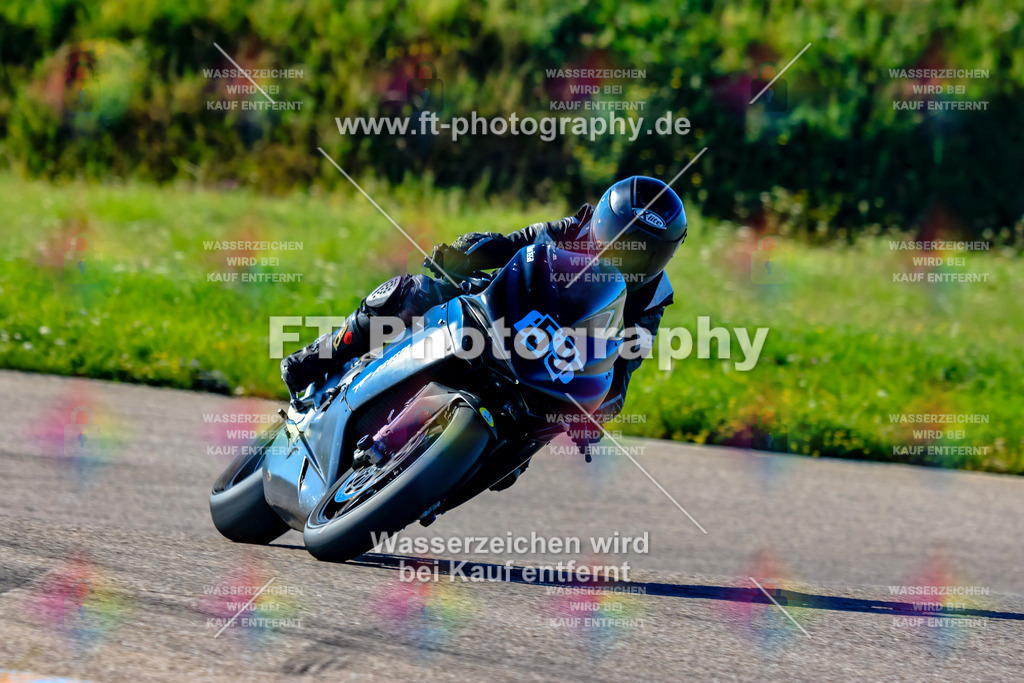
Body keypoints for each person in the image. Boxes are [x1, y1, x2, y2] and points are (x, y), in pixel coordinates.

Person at [281, 175, 686, 455]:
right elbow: (517, 243)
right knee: (414, 292)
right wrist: (469, 252)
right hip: (506, 313)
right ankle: (320, 356)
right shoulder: (576, 228)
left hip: (553, 370)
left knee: (531, 443)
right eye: (617, 239)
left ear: (664, 255)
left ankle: (441, 474)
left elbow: (625, 365)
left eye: (640, 251)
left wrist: (600, 412)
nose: (620, 255)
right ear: (600, 220)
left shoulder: (652, 300)